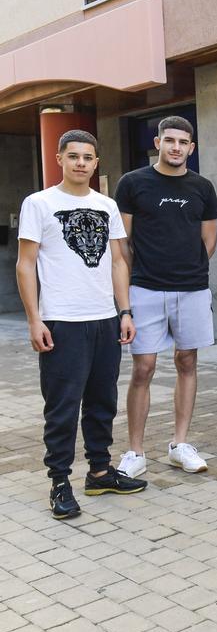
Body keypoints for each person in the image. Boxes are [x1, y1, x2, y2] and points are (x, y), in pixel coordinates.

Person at [17, 129, 147, 520]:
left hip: (104, 319)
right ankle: (59, 481)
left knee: (102, 402)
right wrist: (34, 319)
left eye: (88, 157)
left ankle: (101, 471)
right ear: (60, 158)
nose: (80, 163)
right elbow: (25, 263)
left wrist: (124, 311)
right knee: (62, 406)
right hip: (61, 321)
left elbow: (119, 261)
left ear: (96, 162)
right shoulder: (38, 203)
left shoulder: (106, 205)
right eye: (73, 156)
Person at [113, 116, 217, 478]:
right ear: (158, 143)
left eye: (183, 142)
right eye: (169, 140)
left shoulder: (202, 187)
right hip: (144, 288)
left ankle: (180, 444)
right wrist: (133, 285)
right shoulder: (132, 183)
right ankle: (135, 451)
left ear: (192, 147)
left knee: (187, 361)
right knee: (143, 367)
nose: (176, 147)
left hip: (192, 288)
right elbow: (122, 244)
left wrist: (186, 268)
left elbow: (209, 240)